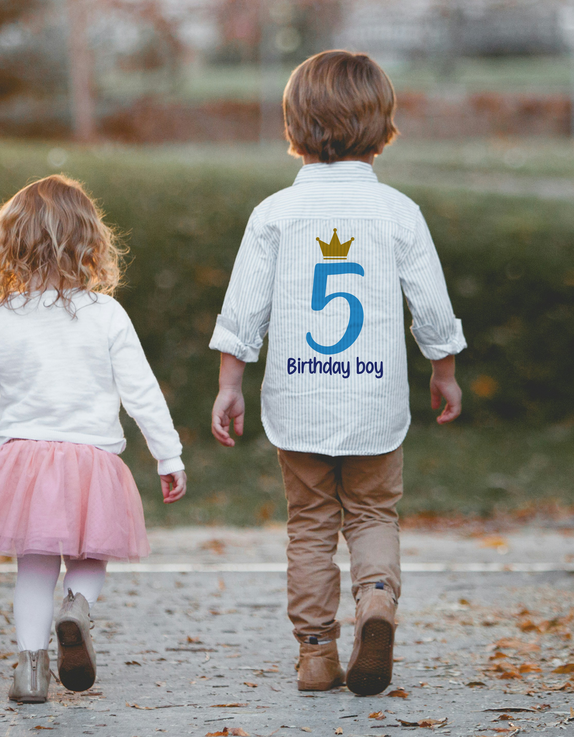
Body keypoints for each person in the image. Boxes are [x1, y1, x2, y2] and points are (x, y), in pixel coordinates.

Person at [209, 50, 465, 695]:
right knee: (375, 513)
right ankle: (375, 600)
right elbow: (431, 306)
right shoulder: (397, 213)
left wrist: (230, 384)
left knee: (311, 525)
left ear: (295, 123)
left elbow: (243, 310)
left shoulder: (274, 214)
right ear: (382, 125)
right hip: (374, 402)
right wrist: (445, 371)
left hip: (299, 402)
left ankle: (317, 653)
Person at [0, 174, 187, 704]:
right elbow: (142, 393)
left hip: (23, 465)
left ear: (8, 244)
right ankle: (78, 608)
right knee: (91, 554)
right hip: (93, 461)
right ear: (90, 241)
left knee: (33, 567)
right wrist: (168, 454)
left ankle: (30, 672)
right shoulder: (107, 314)